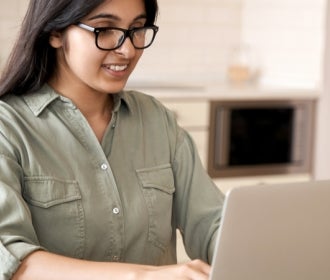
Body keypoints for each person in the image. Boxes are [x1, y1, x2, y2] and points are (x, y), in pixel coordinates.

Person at [0, 0, 224, 279]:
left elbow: (213, 224)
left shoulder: (157, 120)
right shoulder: (7, 127)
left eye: (137, 29)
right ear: (55, 32)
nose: (127, 49)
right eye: (104, 29)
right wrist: (142, 277)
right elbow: (9, 259)